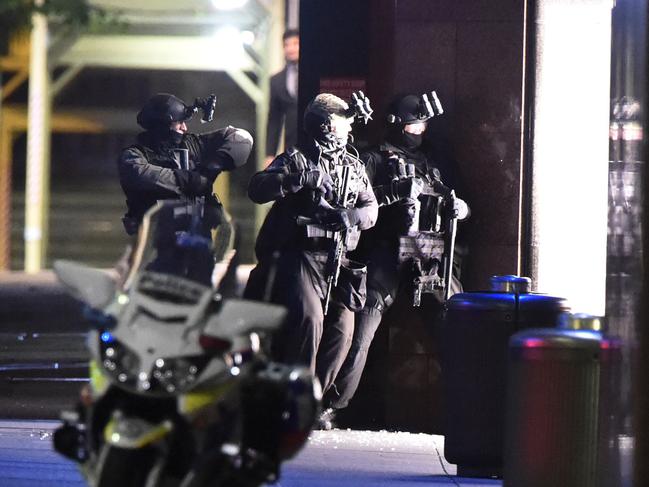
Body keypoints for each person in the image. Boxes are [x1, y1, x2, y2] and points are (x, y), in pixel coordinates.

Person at [323, 93, 470, 422]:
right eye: (415, 125)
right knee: (361, 332)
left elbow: (462, 200)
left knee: (457, 325)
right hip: (388, 253)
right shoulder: (374, 159)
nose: (421, 131)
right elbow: (358, 201)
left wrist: (460, 209)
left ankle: (470, 407)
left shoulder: (436, 159)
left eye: (423, 125)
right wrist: (396, 197)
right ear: (399, 126)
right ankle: (333, 404)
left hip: (430, 254)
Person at [245, 93, 378, 405]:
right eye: (342, 122)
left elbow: (370, 209)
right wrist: (297, 179)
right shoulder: (296, 158)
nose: (349, 127)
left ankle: (316, 398)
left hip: (339, 258)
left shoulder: (353, 165)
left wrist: (352, 216)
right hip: (301, 255)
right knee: (310, 320)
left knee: (343, 328)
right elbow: (258, 188)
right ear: (326, 126)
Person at [117, 92, 253, 235]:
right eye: (179, 123)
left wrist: (214, 165)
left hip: (197, 241)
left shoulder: (192, 144)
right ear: (163, 125)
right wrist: (191, 180)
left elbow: (242, 137)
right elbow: (144, 175)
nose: (184, 128)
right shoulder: (133, 157)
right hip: (154, 244)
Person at [265, 29, 300, 167]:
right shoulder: (276, 80)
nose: (291, 48)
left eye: (295, 43)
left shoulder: (315, 75)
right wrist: (270, 154)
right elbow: (274, 119)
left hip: (316, 141)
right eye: (286, 45)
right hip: (291, 145)